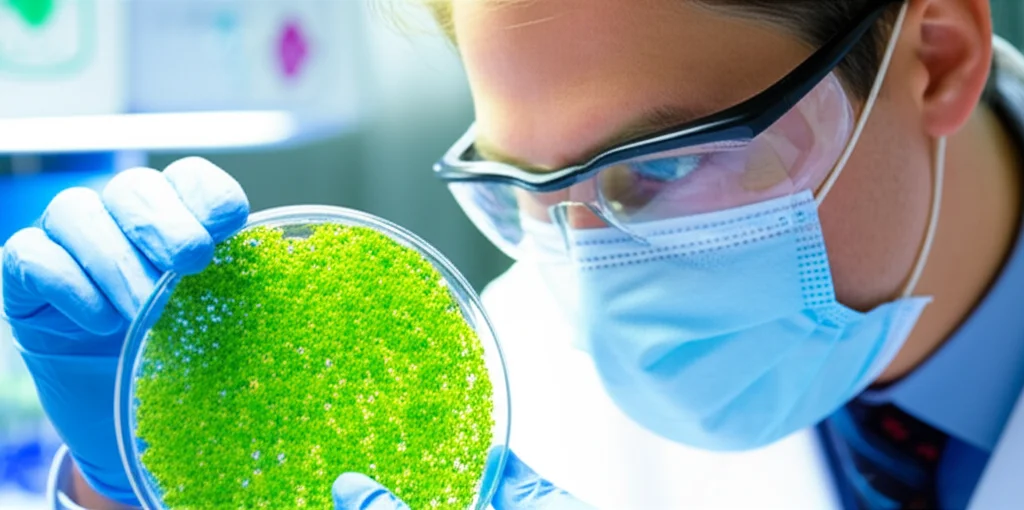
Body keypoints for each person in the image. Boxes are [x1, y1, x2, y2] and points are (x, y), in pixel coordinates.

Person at [3, 0, 1023, 508]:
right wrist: (135, 485)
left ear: (933, 54)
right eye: (526, 185)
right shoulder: (515, 377)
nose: (597, 277)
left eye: (663, 168)